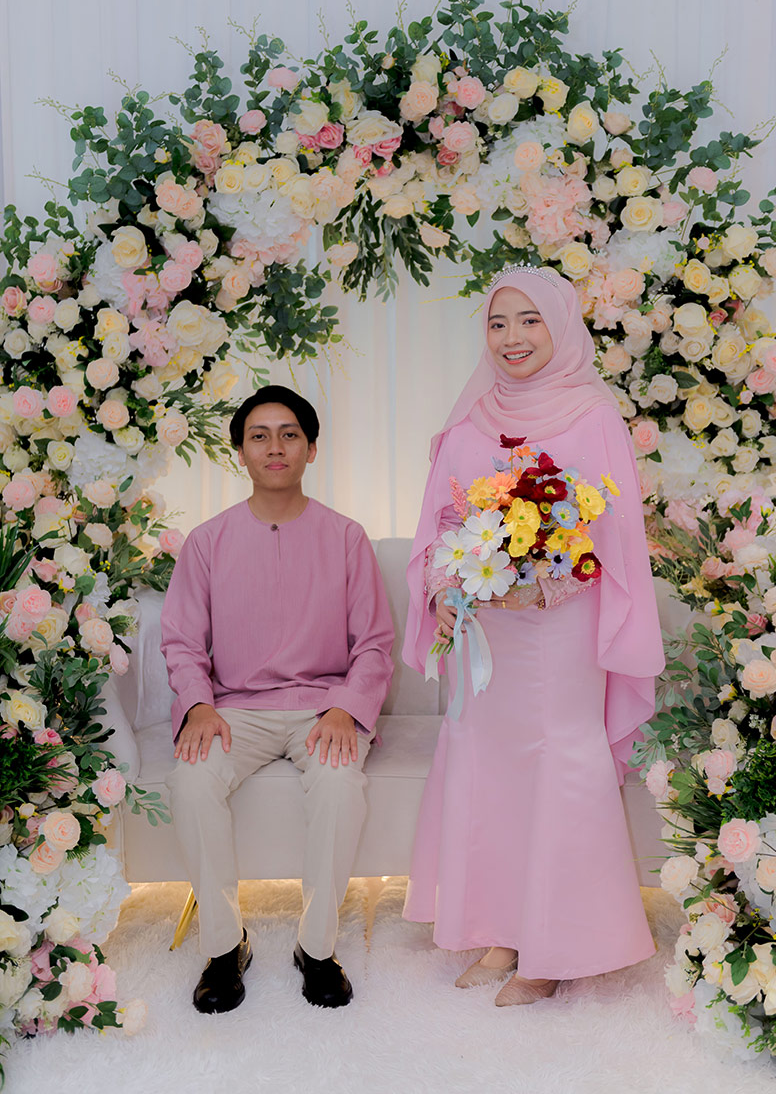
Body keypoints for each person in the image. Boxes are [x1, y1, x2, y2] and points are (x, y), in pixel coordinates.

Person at [402, 265, 664, 1006]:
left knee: (557, 762)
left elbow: (612, 535)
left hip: (559, 630)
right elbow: (441, 524)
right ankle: (501, 928)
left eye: (529, 320)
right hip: (486, 635)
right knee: (487, 764)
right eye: (497, 323)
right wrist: (445, 592)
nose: (511, 338)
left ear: (560, 326)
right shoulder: (469, 420)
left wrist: (541, 584)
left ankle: (552, 950)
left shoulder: (592, 416)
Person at [162, 385, 394, 1013]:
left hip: (324, 707)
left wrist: (346, 708)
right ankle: (223, 947)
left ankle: (317, 950)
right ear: (239, 452)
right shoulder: (208, 541)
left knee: (340, 784)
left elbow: (375, 643)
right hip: (232, 708)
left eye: (289, 434)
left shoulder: (346, 538)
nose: (275, 447)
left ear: (311, 449)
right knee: (192, 782)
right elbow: (182, 641)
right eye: (259, 435)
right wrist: (198, 704)